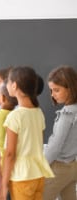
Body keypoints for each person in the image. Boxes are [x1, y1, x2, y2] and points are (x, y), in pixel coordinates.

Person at [0, 66, 54, 200]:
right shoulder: (38, 113)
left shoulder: (15, 116)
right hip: (38, 174)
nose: (6, 84)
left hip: (21, 177)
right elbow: (38, 144)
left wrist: (3, 183)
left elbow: (10, 154)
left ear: (15, 86)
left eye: (8, 81)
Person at [43, 65, 77, 200]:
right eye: (51, 90)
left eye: (56, 90)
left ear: (71, 88)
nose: (52, 95)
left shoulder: (66, 115)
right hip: (73, 166)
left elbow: (55, 146)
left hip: (59, 169)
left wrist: (40, 165)